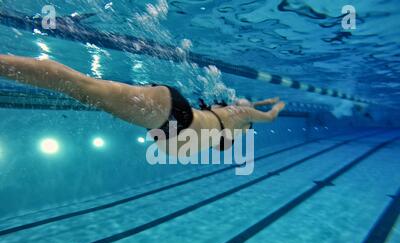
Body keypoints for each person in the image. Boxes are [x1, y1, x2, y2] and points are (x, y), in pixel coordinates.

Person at [0, 54, 285, 153]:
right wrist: (275, 106)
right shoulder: (241, 118)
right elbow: (267, 117)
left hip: (171, 121)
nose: (243, 102)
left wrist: (269, 103)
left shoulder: (237, 116)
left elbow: (257, 111)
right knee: (83, 88)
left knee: (85, 90)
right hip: (174, 118)